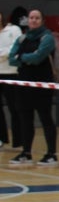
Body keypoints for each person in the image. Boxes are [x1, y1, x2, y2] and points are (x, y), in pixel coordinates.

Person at [7, 9, 59, 166]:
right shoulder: (22, 38)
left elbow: (38, 58)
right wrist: (24, 59)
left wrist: (22, 58)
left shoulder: (48, 38)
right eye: (31, 18)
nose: (34, 20)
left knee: (45, 118)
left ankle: (51, 154)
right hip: (23, 84)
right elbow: (11, 59)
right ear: (27, 21)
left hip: (42, 85)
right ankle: (26, 153)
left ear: (42, 20)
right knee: (25, 120)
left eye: (37, 18)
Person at [0, 10, 23, 152]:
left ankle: (19, 140)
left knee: (15, 108)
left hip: (12, 74)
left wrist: (3, 54)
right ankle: (1, 138)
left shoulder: (14, 29)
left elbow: (16, 47)